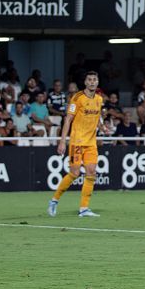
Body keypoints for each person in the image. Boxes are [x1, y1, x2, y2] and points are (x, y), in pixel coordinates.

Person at [48, 71, 104, 217]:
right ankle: (54, 200)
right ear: (85, 82)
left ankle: (84, 209)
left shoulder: (99, 99)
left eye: (94, 80)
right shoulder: (77, 98)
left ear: (97, 82)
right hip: (77, 141)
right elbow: (68, 120)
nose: (92, 82)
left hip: (91, 142)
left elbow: (97, 117)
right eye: (89, 79)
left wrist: (102, 128)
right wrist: (62, 141)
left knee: (91, 173)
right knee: (74, 173)